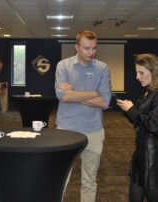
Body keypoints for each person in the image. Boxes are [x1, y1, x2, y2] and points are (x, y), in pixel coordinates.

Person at [55, 30, 112, 202]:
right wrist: (93, 93)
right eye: (87, 48)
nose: (91, 53)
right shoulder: (63, 66)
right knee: (62, 178)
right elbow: (62, 97)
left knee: (90, 180)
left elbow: (104, 102)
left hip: (93, 131)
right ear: (77, 47)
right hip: (66, 130)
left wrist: (74, 93)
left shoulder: (102, 68)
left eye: (94, 48)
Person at [117, 54, 158, 202]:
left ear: (153, 73)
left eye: (141, 73)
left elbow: (153, 125)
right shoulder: (149, 92)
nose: (137, 77)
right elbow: (140, 122)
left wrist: (132, 110)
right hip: (141, 153)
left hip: (152, 158)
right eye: (136, 72)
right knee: (134, 197)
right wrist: (129, 110)